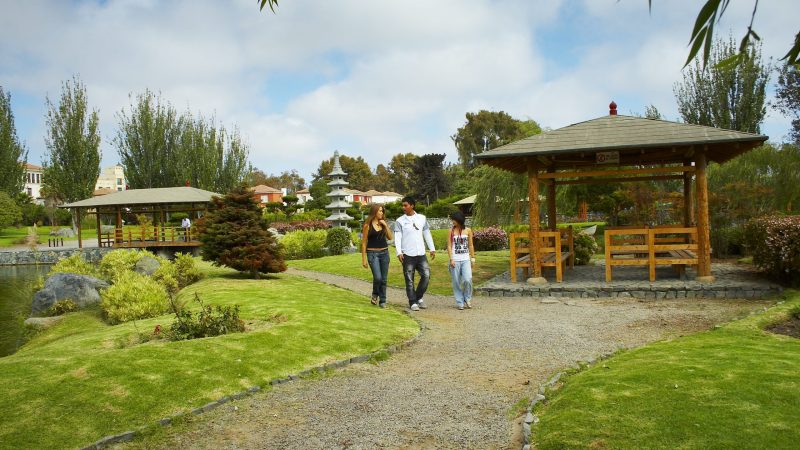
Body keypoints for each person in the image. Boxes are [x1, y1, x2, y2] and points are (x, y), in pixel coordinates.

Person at [394, 196, 435, 311]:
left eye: (405, 205)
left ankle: (418, 297)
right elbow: (397, 237)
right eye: (402, 205)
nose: (403, 207)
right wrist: (399, 252)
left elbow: (427, 233)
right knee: (409, 280)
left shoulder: (422, 218)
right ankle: (412, 302)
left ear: (412, 205)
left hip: (421, 253)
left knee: (426, 276)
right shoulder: (399, 221)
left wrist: (432, 248)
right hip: (407, 254)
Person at [361, 204, 393, 308]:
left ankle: (382, 301)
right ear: (374, 212)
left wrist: (385, 225)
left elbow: (390, 237)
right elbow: (364, 243)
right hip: (373, 254)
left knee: (384, 279)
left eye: (382, 211)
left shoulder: (383, 224)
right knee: (378, 278)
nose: (381, 213)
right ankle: (375, 293)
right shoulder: (367, 225)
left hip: (385, 253)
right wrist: (364, 259)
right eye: (380, 211)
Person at [447, 211, 475, 310]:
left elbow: (470, 245)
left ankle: (467, 298)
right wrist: (451, 259)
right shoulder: (451, 231)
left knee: (468, 279)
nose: (452, 221)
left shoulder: (468, 230)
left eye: (454, 219)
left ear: (459, 220)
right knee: (456, 282)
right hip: (455, 260)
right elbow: (449, 246)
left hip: (465, 259)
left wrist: (472, 258)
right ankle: (460, 301)